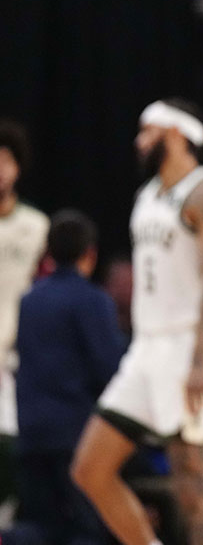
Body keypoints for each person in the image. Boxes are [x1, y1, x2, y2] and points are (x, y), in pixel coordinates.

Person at [72, 98, 203, 545]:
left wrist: (201, 360)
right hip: (146, 350)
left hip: (189, 348)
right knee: (90, 469)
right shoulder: (147, 194)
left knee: (193, 490)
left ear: (178, 135)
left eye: (150, 132)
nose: (139, 141)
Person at [16, 210, 124, 545]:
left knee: (40, 528)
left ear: (47, 254)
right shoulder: (93, 301)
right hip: (75, 438)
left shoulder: (30, 301)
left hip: (31, 434)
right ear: (90, 254)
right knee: (87, 530)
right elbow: (110, 370)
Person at [0, 119, 49, 510]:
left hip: (12, 360)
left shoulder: (36, 226)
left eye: (6, 160)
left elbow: (45, 291)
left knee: (11, 453)